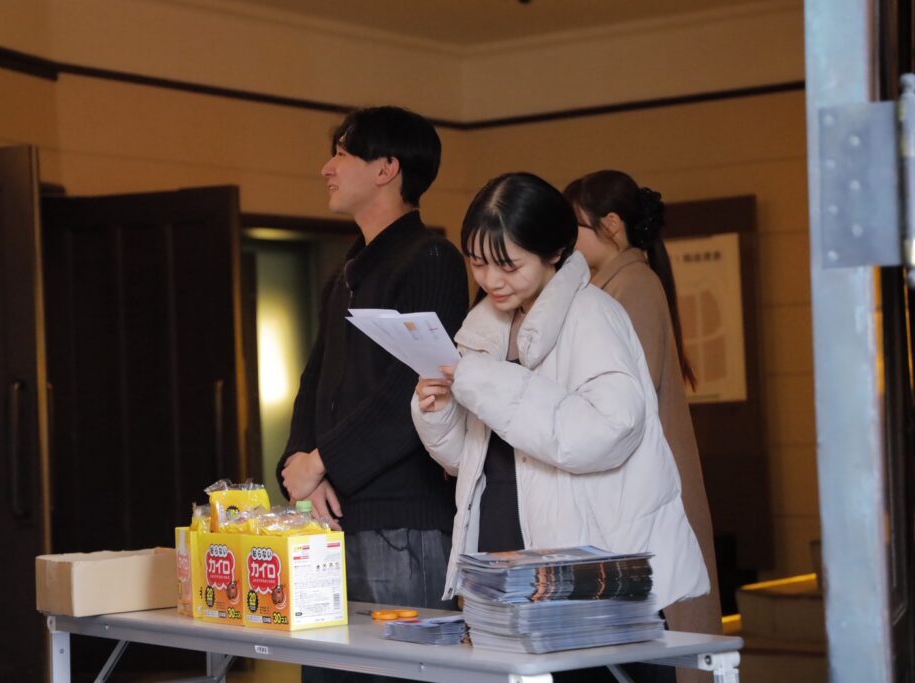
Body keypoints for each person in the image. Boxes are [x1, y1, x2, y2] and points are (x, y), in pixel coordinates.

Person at [413, 172, 708, 683]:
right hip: (507, 562)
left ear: (554, 252)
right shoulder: (485, 328)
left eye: (508, 265)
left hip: (586, 577)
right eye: (478, 263)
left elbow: (608, 432)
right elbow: (471, 460)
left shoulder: (592, 315)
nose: (492, 280)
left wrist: (487, 385)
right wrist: (437, 411)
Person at [277, 106, 469, 682]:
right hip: (334, 516)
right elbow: (315, 380)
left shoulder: (431, 257)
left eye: (342, 153)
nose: (327, 168)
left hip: (401, 522)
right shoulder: (348, 271)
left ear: (387, 168)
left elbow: (413, 389)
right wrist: (298, 462)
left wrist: (322, 461)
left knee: (396, 674)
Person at [563, 170, 722, 683]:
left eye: (575, 227)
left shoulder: (631, 286)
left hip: (644, 485)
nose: (567, 240)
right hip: (638, 484)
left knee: (655, 639)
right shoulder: (623, 282)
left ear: (610, 224)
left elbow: (619, 403)